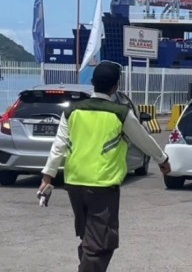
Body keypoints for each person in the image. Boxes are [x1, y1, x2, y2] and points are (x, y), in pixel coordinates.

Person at [37, 61, 171, 272]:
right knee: (101, 242)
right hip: (102, 185)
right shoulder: (120, 113)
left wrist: (47, 177)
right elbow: (143, 139)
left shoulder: (72, 111)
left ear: (93, 82)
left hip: (74, 184)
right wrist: (162, 160)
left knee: (89, 237)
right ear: (115, 86)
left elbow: (58, 146)